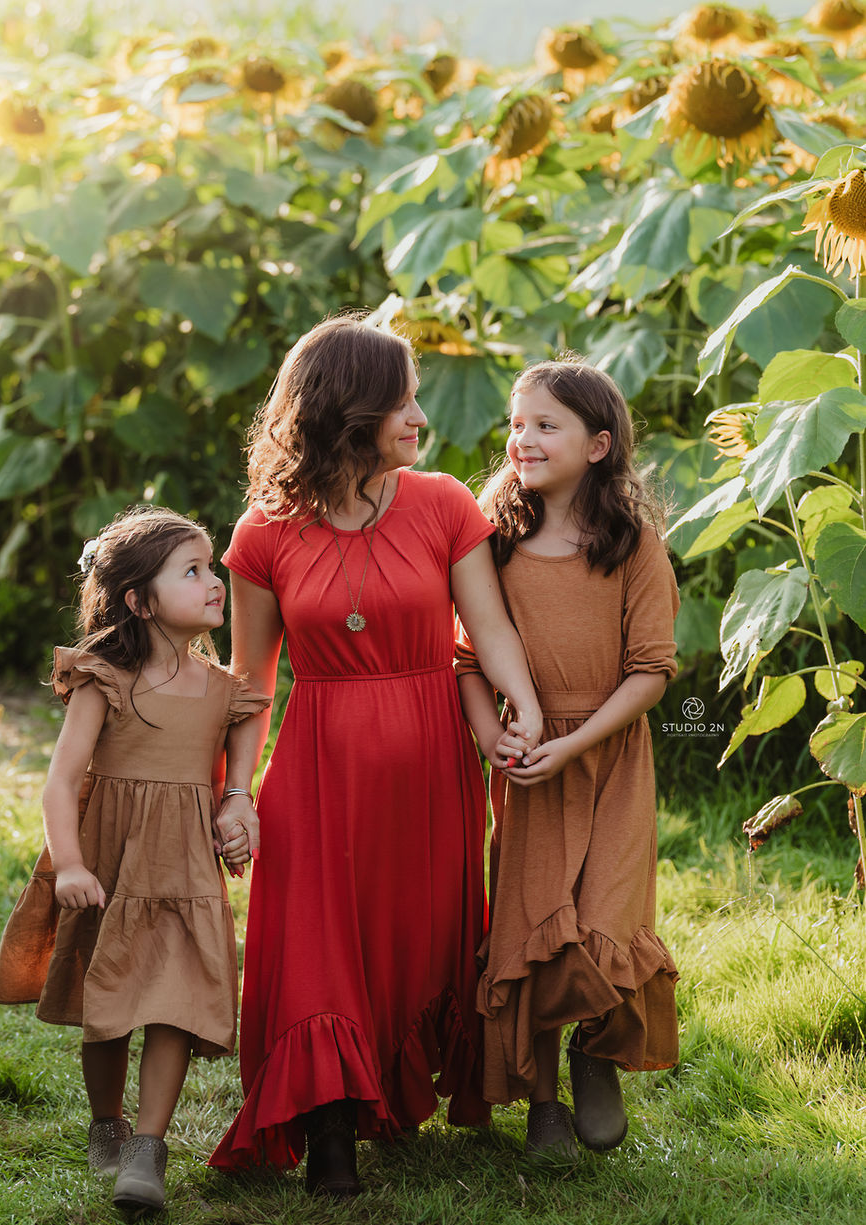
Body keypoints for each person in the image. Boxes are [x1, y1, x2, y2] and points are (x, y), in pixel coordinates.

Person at [207, 314, 543, 1196]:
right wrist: (234, 792)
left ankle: (386, 1089)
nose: (420, 418)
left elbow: (491, 629)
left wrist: (528, 708)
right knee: (319, 941)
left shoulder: (442, 504)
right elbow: (250, 681)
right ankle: (328, 1132)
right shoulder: (264, 532)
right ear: (350, 410)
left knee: (414, 933)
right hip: (317, 767)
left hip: (433, 767)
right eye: (403, 401)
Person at [0, 505, 269, 1212]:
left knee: (174, 1000)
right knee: (108, 1003)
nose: (215, 583)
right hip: (109, 865)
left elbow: (239, 771)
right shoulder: (104, 677)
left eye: (212, 568)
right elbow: (60, 778)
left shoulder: (224, 689)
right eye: (193, 571)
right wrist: (72, 864)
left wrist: (239, 807)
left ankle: (148, 1145)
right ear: (140, 601)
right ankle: (106, 1118)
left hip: (180, 869)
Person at [455, 356, 679, 1164]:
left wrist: (572, 743)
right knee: (533, 921)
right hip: (524, 760)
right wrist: (497, 737)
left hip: (607, 756)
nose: (522, 438)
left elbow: (651, 671)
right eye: (516, 423)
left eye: (545, 424)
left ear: (597, 444)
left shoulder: (633, 545)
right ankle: (540, 1101)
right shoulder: (493, 538)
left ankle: (594, 1053)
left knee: (603, 916)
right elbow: (467, 655)